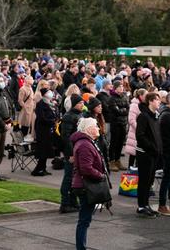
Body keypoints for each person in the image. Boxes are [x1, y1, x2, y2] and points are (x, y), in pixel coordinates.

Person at [70, 117, 107, 250]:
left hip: (84, 185)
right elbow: (86, 168)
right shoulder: (85, 144)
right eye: (96, 126)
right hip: (85, 186)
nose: (98, 128)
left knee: (85, 220)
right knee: (84, 220)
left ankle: (81, 247)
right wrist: (101, 176)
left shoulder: (86, 142)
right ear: (89, 129)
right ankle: (81, 247)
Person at [135, 92, 162, 218]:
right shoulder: (143, 116)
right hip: (145, 153)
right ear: (150, 101)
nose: (159, 103)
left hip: (153, 154)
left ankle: (146, 205)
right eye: (157, 100)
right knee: (144, 180)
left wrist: (158, 149)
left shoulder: (155, 116)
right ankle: (141, 206)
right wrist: (152, 147)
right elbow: (140, 136)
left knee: (150, 180)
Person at [59, 94, 84, 214]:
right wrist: (70, 154)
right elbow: (66, 137)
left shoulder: (79, 115)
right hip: (71, 152)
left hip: (78, 151)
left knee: (75, 178)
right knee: (68, 178)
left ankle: (73, 202)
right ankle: (65, 203)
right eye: (80, 103)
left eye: (83, 103)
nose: (82, 105)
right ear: (74, 104)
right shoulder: (68, 116)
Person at [31, 88, 57, 176]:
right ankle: (38, 169)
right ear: (44, 94)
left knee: (47, 149)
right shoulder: (40, 104)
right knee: (43, 150)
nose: (50, 93)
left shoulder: (50, 103)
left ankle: (43, 168)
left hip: (49, 129)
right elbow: (42, 118)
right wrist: (51, 121)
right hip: (42, 130)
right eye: (48, 92)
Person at [108, 80, 129, 171]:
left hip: (123, 123)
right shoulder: (112, 98)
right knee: (114, 142)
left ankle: (117, 160)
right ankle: (111, 161)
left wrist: (122, 110)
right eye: (119, 87)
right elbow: (115, 111)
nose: (121, 88)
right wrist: (123, 110)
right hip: (115, 123)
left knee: (121, 143)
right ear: (115, 88)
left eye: (122, 86)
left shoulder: (124, 96)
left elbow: (128, 108)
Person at [124, 88, 148, 169]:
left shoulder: (145, 105)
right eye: (145, 95)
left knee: (139, 153)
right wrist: (140, 128)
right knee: (133, 153)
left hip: (142, 132)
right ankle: (130, 172)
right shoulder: (134, 105)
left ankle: (138, 172)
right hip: (135, 132)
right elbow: (131, 120)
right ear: (140, 96)